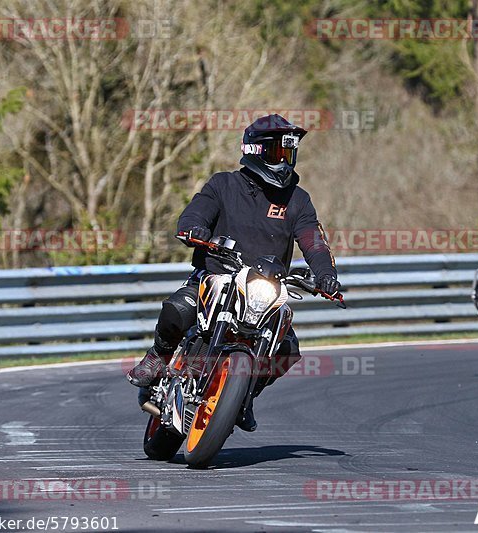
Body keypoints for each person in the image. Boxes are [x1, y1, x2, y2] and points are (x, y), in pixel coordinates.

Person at [127, 114, 340, 431]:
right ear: (256, 151)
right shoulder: (223, 184)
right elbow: (194, 214)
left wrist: (325, 275)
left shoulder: (298, 199)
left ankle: (244, 395)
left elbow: (314, 242)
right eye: (277, 153)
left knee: (287, 349)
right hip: (217, 275)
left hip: (266, 286)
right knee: (179, 307)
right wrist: (195, 230)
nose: (284, 160)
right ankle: (158, 356)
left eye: (288, 153)